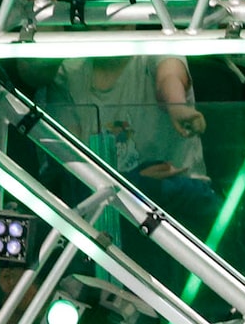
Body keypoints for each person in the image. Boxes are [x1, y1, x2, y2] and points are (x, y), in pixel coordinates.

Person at [44, 55, 214, 224]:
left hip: (178, 208)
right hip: (104, 212)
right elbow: (73, 165)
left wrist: (178, 107)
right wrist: (135, 182)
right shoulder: (69, 71)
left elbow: (169, 77)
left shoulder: (159, 50)